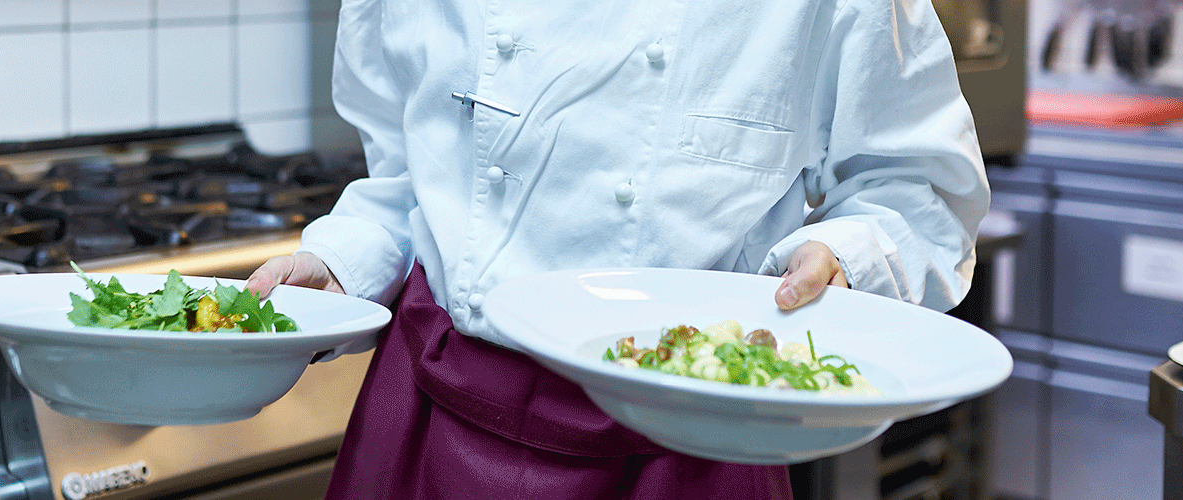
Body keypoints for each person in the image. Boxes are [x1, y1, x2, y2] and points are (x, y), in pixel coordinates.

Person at [246, 0, 989, 497]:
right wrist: (346, 257)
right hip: (438, 404)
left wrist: (845, 257)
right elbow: (417, 171)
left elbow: (917, 185)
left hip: (691, 431)